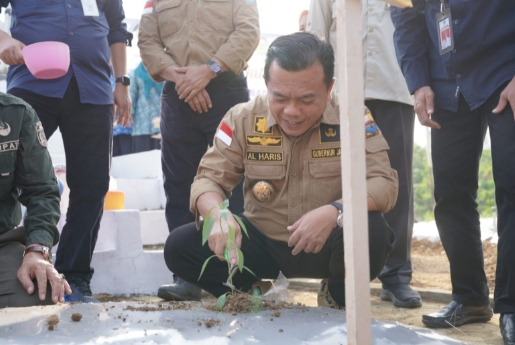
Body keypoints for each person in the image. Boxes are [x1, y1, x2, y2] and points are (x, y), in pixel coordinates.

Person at [163, 32, 398, 309]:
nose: (291, 111)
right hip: (260, 245)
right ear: (266, 85)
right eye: (280, 97)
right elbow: (208, 180)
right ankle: (246, 292)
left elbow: (383, 182)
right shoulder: (242, 118)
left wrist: (336, 211)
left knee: (372, 231)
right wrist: (219, 216)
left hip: (327, 242)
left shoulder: (353, 117)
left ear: (330, 88)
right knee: (180, 246)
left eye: (307, 100)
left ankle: (336, 294)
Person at [391, 0, 515, 342]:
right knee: (449, 194)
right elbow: (404, 13)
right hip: (446, 80)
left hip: (506, 71)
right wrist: (418, 81)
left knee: (513, 187)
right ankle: (470, 296)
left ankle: (513, 305)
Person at [0, 0, 132, 303]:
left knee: (93, 185)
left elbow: (116, 27)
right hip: (30, 86)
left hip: (94, 86)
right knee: (7, 172)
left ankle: (74, 277)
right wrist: (4, 39)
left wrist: (122, 82)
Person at [138, 0, 260, 301]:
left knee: (243, 183)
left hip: (226, 87)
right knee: (179, 184)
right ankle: (188, 275)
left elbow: (248, 30)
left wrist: (209, 70)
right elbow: (147, 40)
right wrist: (181, 78)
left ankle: (246, 274)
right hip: (177, 91)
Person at [307, 0, 421, 308]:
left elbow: (416, 25)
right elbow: (317, 34)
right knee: (333, 178)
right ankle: (334, 272)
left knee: (395, 182)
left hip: (394, 87)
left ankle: (396, 274)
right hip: (341, 92)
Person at [0, 92, 71, 308]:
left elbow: (41, 191)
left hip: (2, 242)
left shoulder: (16, 114)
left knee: (37, 293)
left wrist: (37, 252)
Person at [129, 62, 163, 153]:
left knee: (159, 157)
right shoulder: (136, 73)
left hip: (160, 121)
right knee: (141, 158)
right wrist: (130, 113)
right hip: (141, 124)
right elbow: (132, 94)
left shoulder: (163, 71)